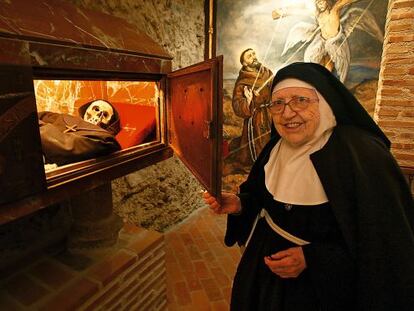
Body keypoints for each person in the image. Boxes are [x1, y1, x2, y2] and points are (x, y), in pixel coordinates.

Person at [203, 62, 414, 310]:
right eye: (277, 103)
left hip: (323, 293)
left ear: (324, 102)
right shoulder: (275, 147)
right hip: (263, 277)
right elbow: (261, 197)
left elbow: (384, 244)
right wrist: (239, 204)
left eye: (300, 100)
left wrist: (314, 260)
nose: (287, 113)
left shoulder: (363, 153)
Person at [272, 0, 383, 82]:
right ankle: (316, 80)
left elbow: (344, 2)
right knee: (311, 58)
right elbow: (300, 11)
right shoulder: (317, 14)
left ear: (327, 2)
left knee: (330, 65)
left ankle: (326, 83)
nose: (320, 4)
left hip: (335, 42)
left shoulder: (334, 11)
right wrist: (281, 12)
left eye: (322, 2)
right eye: (318, 2)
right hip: (321, 41)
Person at [231, 48, 273, 169]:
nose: (254, 57)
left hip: (270, 114)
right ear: (244, 63)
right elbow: (237, 104)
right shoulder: (242, 81)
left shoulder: (267, 73)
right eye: (249, 56)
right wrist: (248, 100)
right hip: (255, 118)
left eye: (254, 53)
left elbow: (275, 89)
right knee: (258, 145)